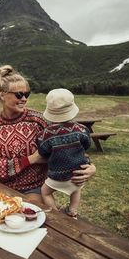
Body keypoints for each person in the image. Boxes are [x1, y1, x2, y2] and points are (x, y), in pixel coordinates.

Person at [0, 65, 96, 203]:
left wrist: (91, 167)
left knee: (28, 216)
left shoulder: (39, 120)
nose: (24, 99)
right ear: (2, 94)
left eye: (26, 94)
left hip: (34, 188)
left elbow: (70, 144)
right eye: (19, 94)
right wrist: (30, 159)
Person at [37, 88, 91, 218]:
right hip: (78, 173)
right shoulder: (82, 129)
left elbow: (43, 152)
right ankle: (72, 211)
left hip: (57, 176)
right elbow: (87, 145)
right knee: (76, 190)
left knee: (45, 192)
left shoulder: (45, 134)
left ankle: (55, 212)